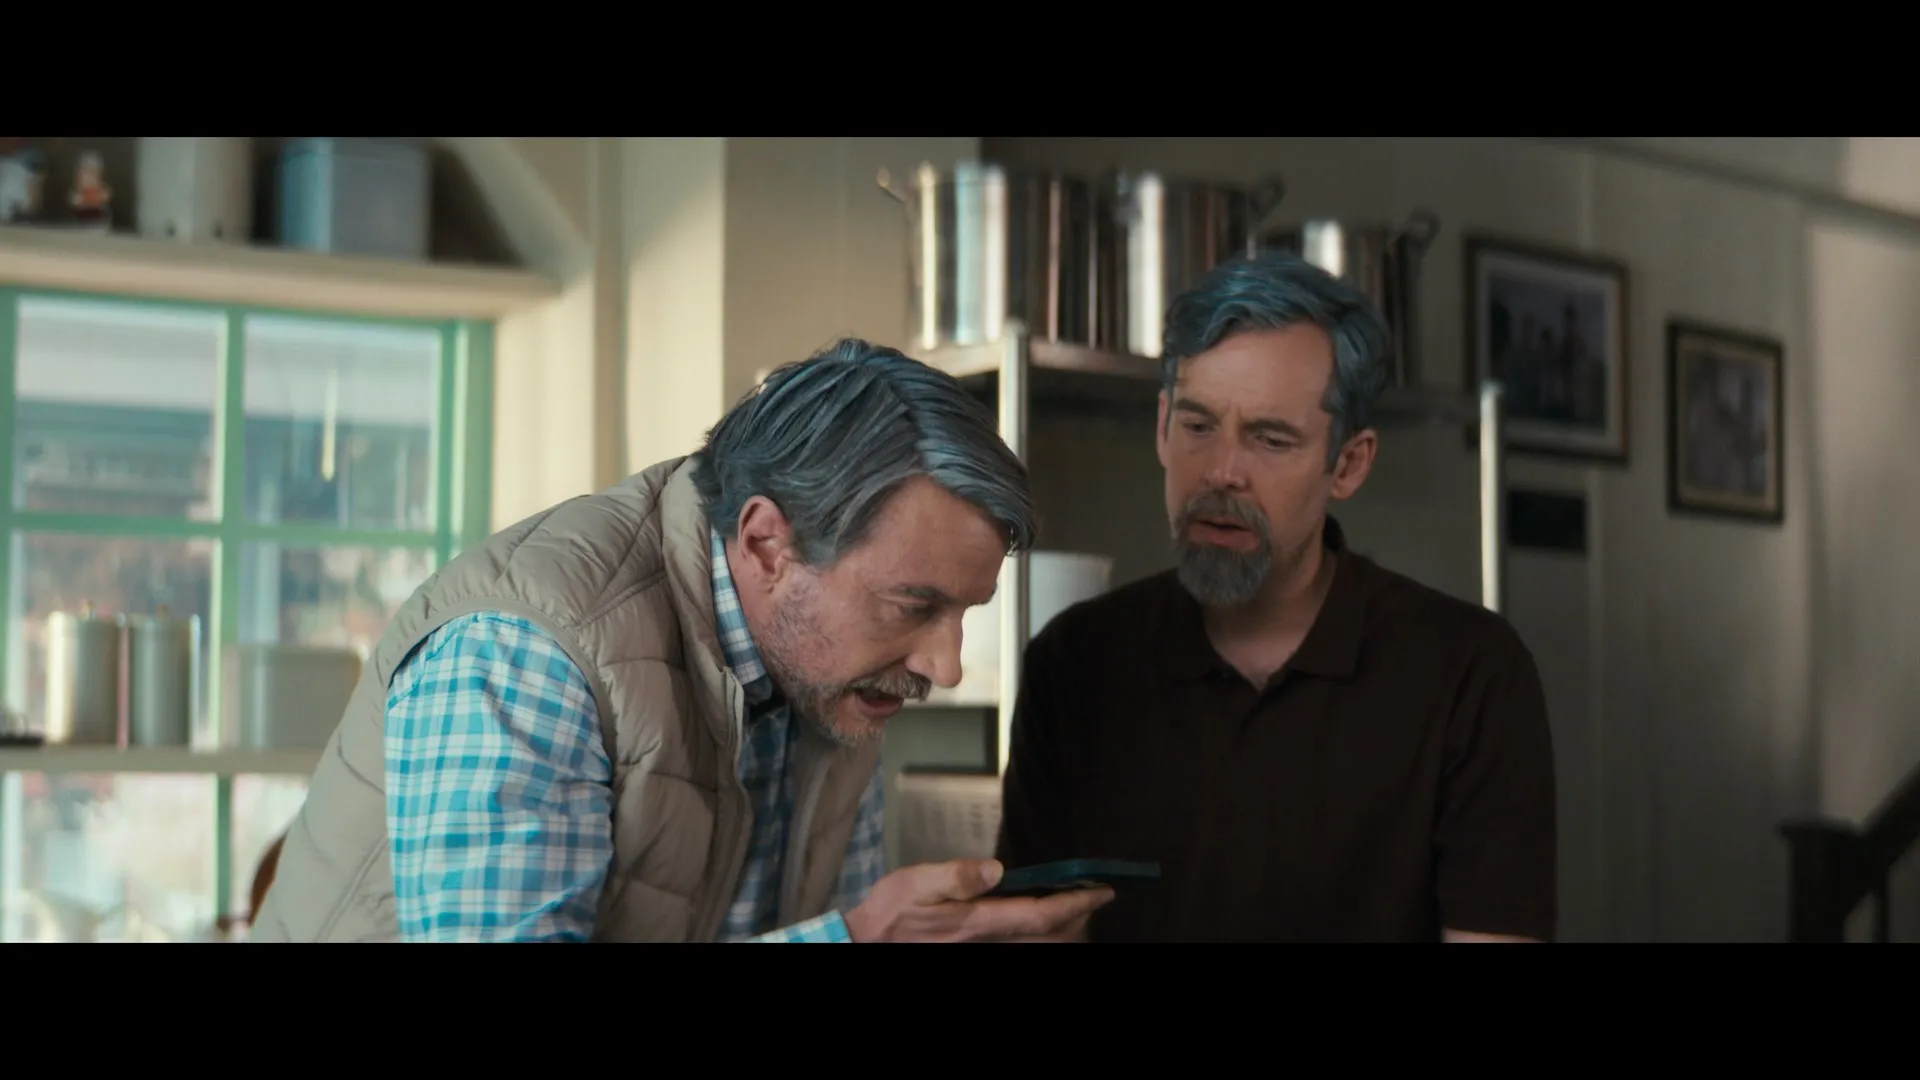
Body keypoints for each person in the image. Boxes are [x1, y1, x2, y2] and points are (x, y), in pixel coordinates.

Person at [249, 337, 1114, 943]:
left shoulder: (836, 677)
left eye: (965, 612)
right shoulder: (524, 651)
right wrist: (854, 939)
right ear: (766, 543)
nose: (945, 664)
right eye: (912, 607)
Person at [994, 251, 1557, 943]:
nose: (1222, 472)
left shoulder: (1470, 673)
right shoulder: (1074, 663)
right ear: (1162, 426)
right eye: (1198, 426)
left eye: (1270, 439)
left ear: (1348, 464)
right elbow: (1037, 929)